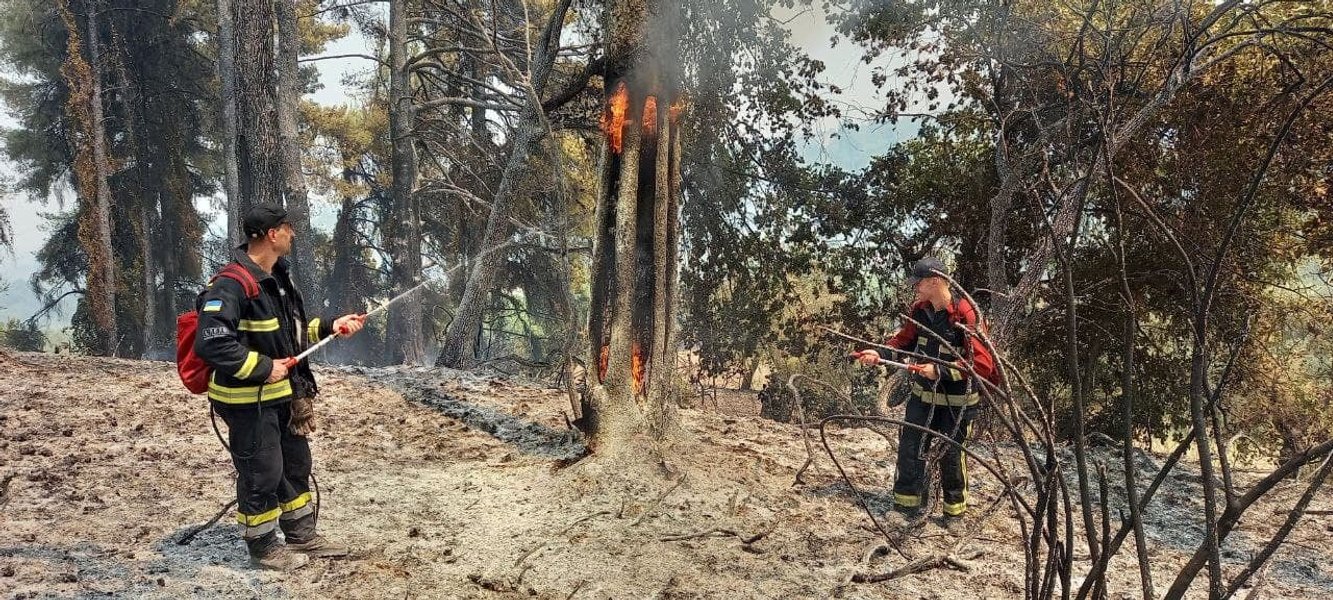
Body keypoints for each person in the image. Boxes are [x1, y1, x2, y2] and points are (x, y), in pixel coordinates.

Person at [195, 203, 366, 570]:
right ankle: (263, 546)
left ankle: (302, 535)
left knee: (296, 465)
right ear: (272, 234)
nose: (293, 233)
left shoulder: (279, 278)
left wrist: (333, 325)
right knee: (262, 473)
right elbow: (211, 343)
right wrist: (261, 367)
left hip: (283, 396)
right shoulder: (229, 285)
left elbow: (291, 333)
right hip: (246, 402)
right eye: (287, 227)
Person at [855, 257, 996, 526]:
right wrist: (879, 353)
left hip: (957, 403)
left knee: (952, 455)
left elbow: (983, 364)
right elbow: (903, 342)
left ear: (935, 281)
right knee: (910, 447)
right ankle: (906, 506)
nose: (915, 288)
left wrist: (941, 370)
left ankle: (955, 515)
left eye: (918, 283)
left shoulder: (966, 314)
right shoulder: (919, 311)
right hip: (922, 397)